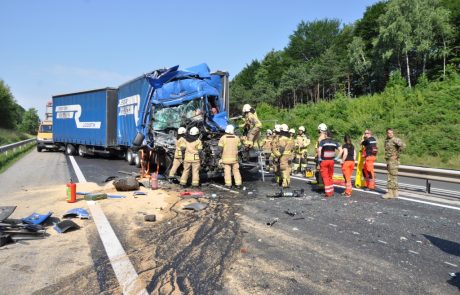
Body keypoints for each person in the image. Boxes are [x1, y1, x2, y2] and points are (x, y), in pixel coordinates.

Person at [382, 128, 406, 199]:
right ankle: (394, 193)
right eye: (389, 133)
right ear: (387, 133)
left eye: (391, 133)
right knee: (392, 176)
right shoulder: (387, 140)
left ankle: (390, 193)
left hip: (393, 161)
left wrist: (397, 154)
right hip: (389, 160)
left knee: (391, 177)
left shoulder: (395, 140)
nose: (390, 134)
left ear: (393, 133)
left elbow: (403, 146)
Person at [317, 130, 340, 197]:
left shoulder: (323, 142)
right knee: (330, 176)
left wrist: (319, 158)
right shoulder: (334, 142)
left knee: (325, 177)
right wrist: (337, 158)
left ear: (326, 135)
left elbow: (319, 150)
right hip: (332, 161)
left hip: (324, 161)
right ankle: (331, 191)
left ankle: (328, 192)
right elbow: (341, 150)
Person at [314, 123, 328, 189]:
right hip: (327, 157)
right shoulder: (327, 137)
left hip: (320, 157)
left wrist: (318, 157)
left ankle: (320, 185)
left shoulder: (320, 138)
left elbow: (319, 149)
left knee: (319, 171)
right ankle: (325, 185)